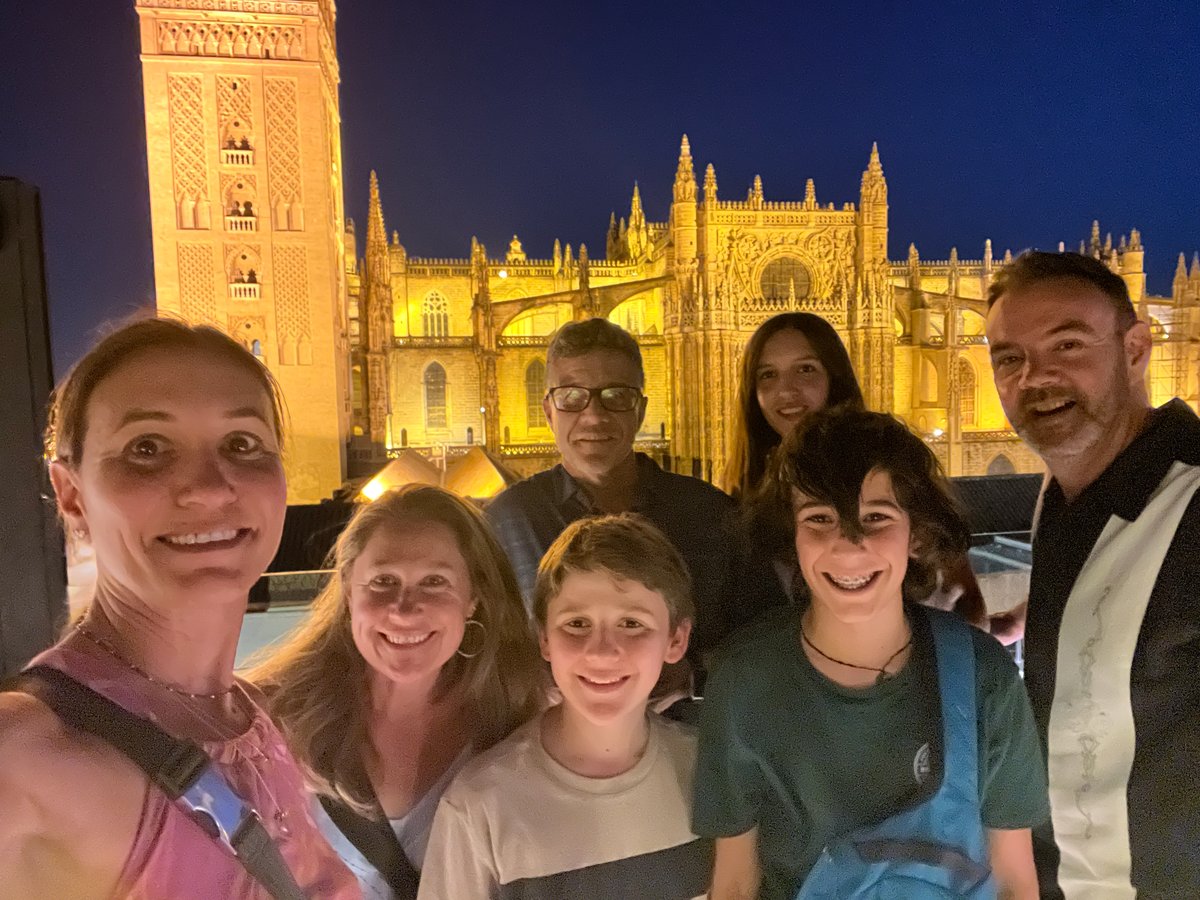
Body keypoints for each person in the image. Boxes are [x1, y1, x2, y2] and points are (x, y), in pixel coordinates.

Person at [0, 317, 360, 899]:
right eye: (147, 449)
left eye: (242, 444)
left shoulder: (250, 718)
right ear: (72, 494)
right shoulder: (24, 754)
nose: (211, 488)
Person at [694, 407, 1048, 900]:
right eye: (819, 518)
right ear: (790, 536)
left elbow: (1013, 879)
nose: (847, 547)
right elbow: (734, 883)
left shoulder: (982, 675)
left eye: (875, 518)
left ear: (917, 534)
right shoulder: (743, 681)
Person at [984, 250, 1200, 899]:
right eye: (1008, 358)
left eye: (1067, 345)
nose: (1036, 378)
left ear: (1136, 349)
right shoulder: (1064, 489)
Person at [249, 484, 544, 900]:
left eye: (435, 582)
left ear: (472, 598)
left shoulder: (523, 722)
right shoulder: (267, 724)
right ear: (350, 590)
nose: (404, 609)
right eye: (384, 580)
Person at [418, 514, 713, 899]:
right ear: (543, 639)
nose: (603, 652)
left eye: (631, 624)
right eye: (577, 624)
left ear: (676, 639)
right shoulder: (481, 806)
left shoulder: (707, 773)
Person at [485, 317, 779, 690]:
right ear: (548, 411)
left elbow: (765, 637)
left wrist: (692, 673)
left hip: (691, 739)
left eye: (617, 396)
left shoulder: (712, 515)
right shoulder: (505, 523)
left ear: (639, 410)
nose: (594, 416)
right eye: (572, 397)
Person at [729, 311, 988, 625]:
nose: (786, 390)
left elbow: (966, 601)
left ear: (834, 377)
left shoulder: (891, 466)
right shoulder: (746, 494)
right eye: (767, 374)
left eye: (806, 369)